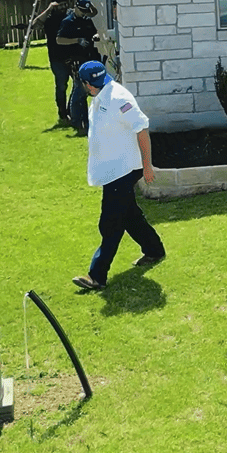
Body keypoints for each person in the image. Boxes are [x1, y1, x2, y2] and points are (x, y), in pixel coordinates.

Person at [71, 60, 166, 291]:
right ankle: (155, 250)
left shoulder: (119, 99)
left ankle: (97, 276)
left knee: (111, 223)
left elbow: (142, 129)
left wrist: (147, 166)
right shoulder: (101, 95)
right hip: (112, 170)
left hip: (123, 171)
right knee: (130, 215)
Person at [55, 0, 102, 134]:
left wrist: (96, 36)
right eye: (82, 11)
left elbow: (94, 29)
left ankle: (83, 120)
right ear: (76, 8)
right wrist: (76, 40)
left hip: (91, 58)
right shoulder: (68, 22)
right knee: (79, 91)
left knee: (84, 91)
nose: (84, 13)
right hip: (78, 60)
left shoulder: (86, 19)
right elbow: (59, 40)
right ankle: (77, 121)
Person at [31, 0, 70, 122]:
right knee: (61, 86)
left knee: (79, 85)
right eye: (61, 5)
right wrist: (48, 9)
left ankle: (72, 110)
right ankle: (62, 113)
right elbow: (34, 25)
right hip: (56, 58)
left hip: (72, 55)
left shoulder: (69, 16)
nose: (64, 7)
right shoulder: (49, 19)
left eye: (65, 4)